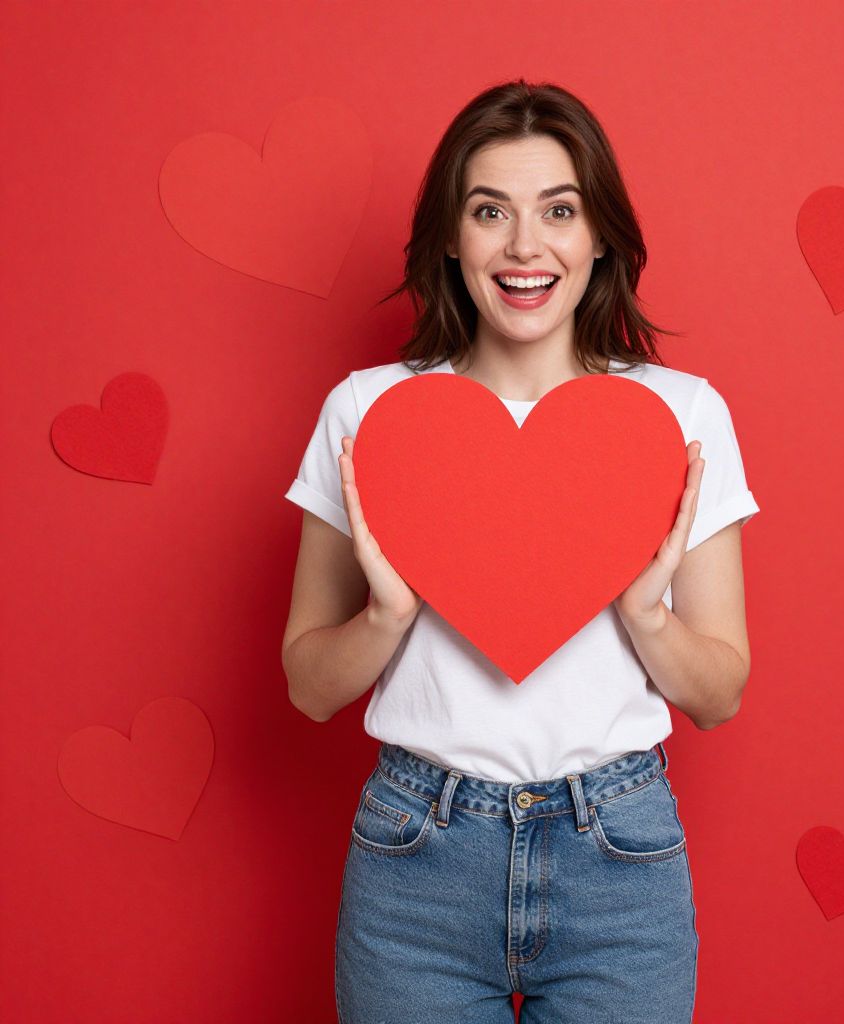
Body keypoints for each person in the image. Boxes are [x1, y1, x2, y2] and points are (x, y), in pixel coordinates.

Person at [282, 79, 759, 1024]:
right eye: (489, 210)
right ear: (451, 239)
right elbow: (309, 685)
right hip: (416, 857)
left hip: (617, 856)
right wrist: (388, 615)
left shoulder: (682, 415)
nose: (525, 246)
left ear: (599, 239)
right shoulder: (369, 415)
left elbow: (720, 693)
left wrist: (644, 614)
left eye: (560, 211)